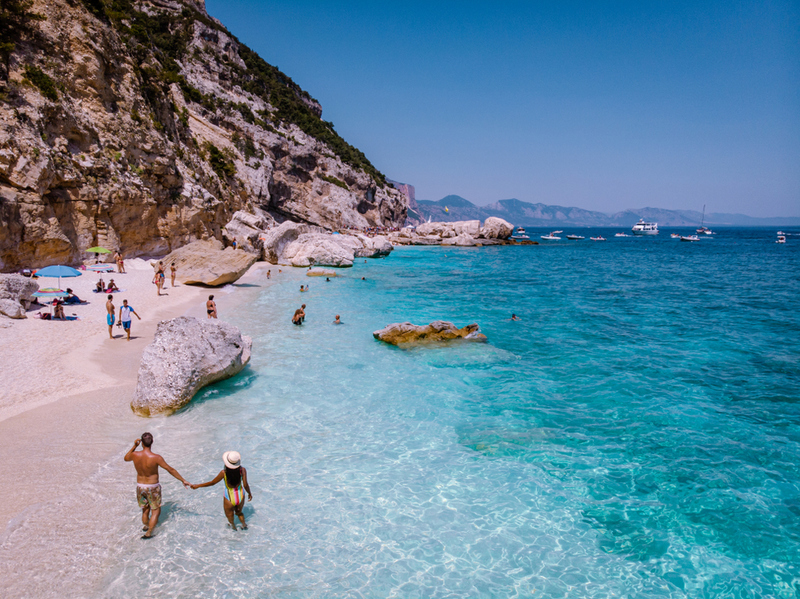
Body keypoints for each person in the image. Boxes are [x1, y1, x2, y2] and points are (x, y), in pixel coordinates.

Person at [124, 433, 191, 539]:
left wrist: (134, 446)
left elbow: (126, 458)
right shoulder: (156, 457)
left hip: (140, 486)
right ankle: (149, 532)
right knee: (156, 511)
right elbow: (170, 469)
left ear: (141, 442)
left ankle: (146, 526)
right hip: (153, 487)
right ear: (152, 441)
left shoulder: (135, 455)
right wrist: (183, 480)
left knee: (145, 510)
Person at [190, 451, 252, 531]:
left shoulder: (224, 473)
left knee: (230, 516)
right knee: (239, 512)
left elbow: (212, 483)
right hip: (240, 494)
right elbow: (246, 485)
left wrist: (197, 485)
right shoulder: (242, 470)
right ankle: (244, 525)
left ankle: (233, 528)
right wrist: (249, 494)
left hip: (229, 497)